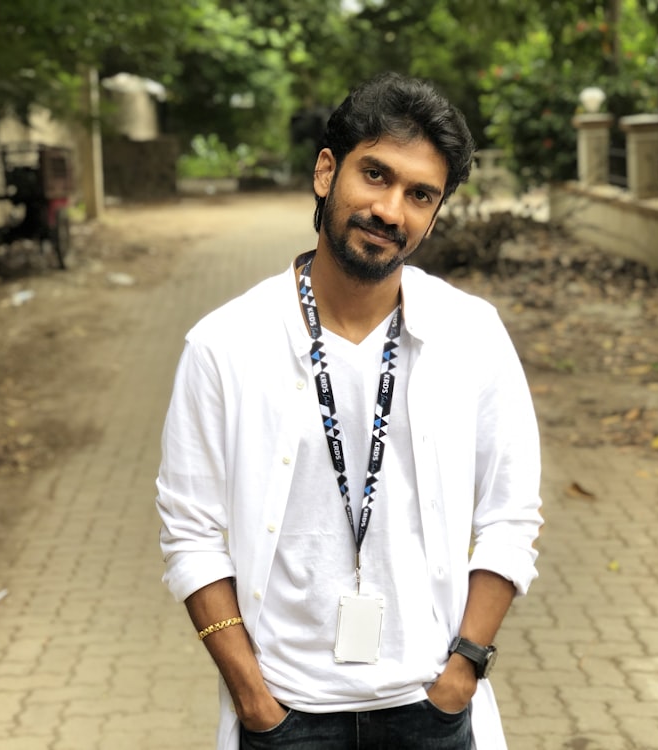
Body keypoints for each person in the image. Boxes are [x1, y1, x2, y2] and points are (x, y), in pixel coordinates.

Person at [156, 72, 543, 749]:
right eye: (376, 176)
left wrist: (462, 672)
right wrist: (252, 696)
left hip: (431, 708)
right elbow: (192, 535)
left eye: (420, 195)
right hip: (286, 713)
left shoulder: (471, 336)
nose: (391, 210)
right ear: (327, 172)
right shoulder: (225, 345)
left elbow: (510, 517)